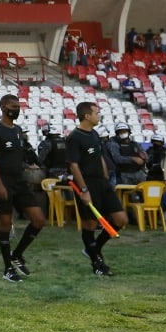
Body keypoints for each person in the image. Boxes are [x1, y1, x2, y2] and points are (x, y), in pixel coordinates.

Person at [0, 95, 46, 282]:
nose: (17, 109)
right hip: (2, 182)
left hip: (19, 181)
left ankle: (17, 254)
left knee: (39, 219)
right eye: (13, 106)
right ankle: (7, 268)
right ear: (3, 107)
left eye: (18, 106)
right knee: (5, 223)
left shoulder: (18, 130)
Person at [67, 101, 127, 276]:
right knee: (91, 224)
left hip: (102, 183)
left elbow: (99, 155)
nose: (98, 115)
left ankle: (93, 249)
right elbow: (74, 165)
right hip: (87, 184)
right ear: (87, 116)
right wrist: (84, 190)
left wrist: (105, 174)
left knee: (120, 219)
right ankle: (97, 264)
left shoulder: (94, 134)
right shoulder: (74, 137)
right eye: (96, 113)